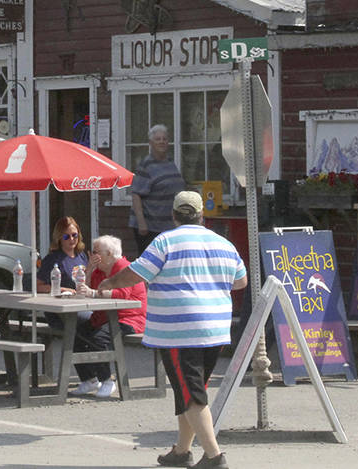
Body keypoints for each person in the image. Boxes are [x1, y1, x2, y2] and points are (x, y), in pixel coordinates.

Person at [99, 191, 247, 469]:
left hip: (180, 329)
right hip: (214, 329)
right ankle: (182, 450)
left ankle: (214, 456)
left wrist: (110, 283)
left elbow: (138, 273)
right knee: (191, 389)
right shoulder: (223, 243)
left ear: (174, 214)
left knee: (190, 393)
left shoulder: (166, 241)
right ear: (202, 215)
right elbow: (240, 282)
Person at [73, 234, 147, 398]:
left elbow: (120, 294)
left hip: (129, 319)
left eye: (97, 252)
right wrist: (90, 269)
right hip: (104, 317)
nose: (93, 255)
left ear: (109, 254)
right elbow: (88, 288)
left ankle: (108, 380)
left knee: (98, 338)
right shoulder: (100, 270)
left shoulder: (123, 267)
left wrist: (93, 293)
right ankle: (89, 379)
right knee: (75, 334)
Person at [130, 123, 188, 253]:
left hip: (168, 225)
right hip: (150, 228)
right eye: (158, 139)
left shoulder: (170, 162)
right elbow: (136, 195)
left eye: (164, 139)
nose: (162, 142)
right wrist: (141, 222)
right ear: (150, 143)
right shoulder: (146, 165)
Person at [36, 215, 88, 295]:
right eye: (66, 236)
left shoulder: (81, 255)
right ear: (59, 237)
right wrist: (61, 289)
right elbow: (37, 286)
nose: (71, 239)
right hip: (61, 302)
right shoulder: (52, 259)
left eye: (74, 235)